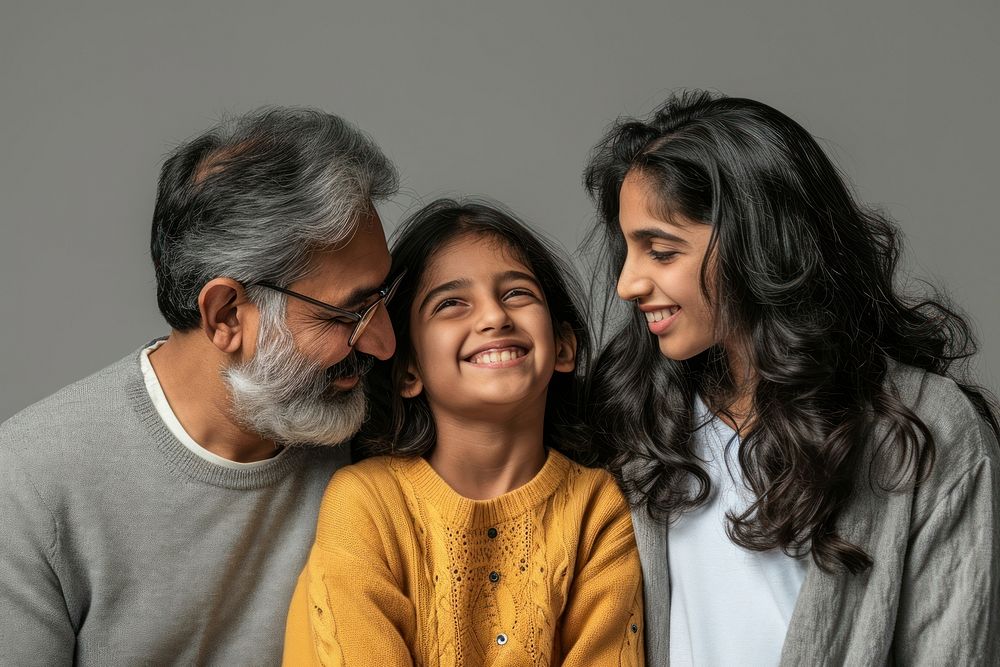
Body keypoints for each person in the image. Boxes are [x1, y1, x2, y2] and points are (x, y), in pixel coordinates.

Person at [582, 90, 1000, 665]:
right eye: (628, 251)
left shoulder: (923, 425)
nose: (627, 284)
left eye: (660, 251)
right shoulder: (644, 423)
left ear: (757, 243)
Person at [0, 108, 400, 665]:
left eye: (383, 298)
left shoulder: (382, 426)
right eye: (346, 315)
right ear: (226, 314)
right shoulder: (27, 484)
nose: (384, 343)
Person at [283, 200, 645, 666]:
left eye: (517, 294)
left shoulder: (599, 509)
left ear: (564, 346)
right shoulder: (366, 504)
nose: (494, 317)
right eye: (451, 304)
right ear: (407, 370)